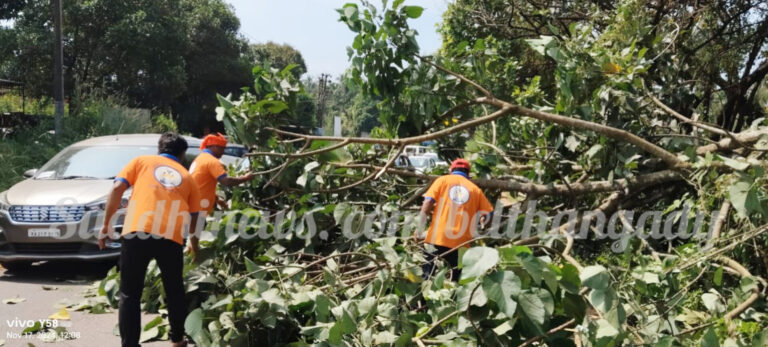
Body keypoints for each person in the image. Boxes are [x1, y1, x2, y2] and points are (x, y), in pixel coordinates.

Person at [99, 132, 202, 347]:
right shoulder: (187, 177)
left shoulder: (141, 161)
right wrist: (194, 244)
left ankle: (130, 345)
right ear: (182, 154)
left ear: (159, 148)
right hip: (171, 237)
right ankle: (176, 339)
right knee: (174, 290)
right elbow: (195, 217)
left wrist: (106, 224)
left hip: (137, 230)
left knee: (129, 293)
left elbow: (118, 187)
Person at [417, 158, 493, 281]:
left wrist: (419, 229)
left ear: (451, 170)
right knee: (455, 281)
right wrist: (483, 225)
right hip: (461, 242)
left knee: (427, 277)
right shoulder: (475, 189)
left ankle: (424, 300)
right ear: (468, 173)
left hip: (437, 238)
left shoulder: (442, 181)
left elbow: (427, 203)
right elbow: (489, 213)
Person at [189, 133, 255, 214]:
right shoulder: (212, 161)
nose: (223, 152)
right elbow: (226, 181)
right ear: (215, 147)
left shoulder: (200, 158)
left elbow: (202, 184)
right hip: (197, 210)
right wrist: (246, 178)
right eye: (222, 149)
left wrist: (216, 199)